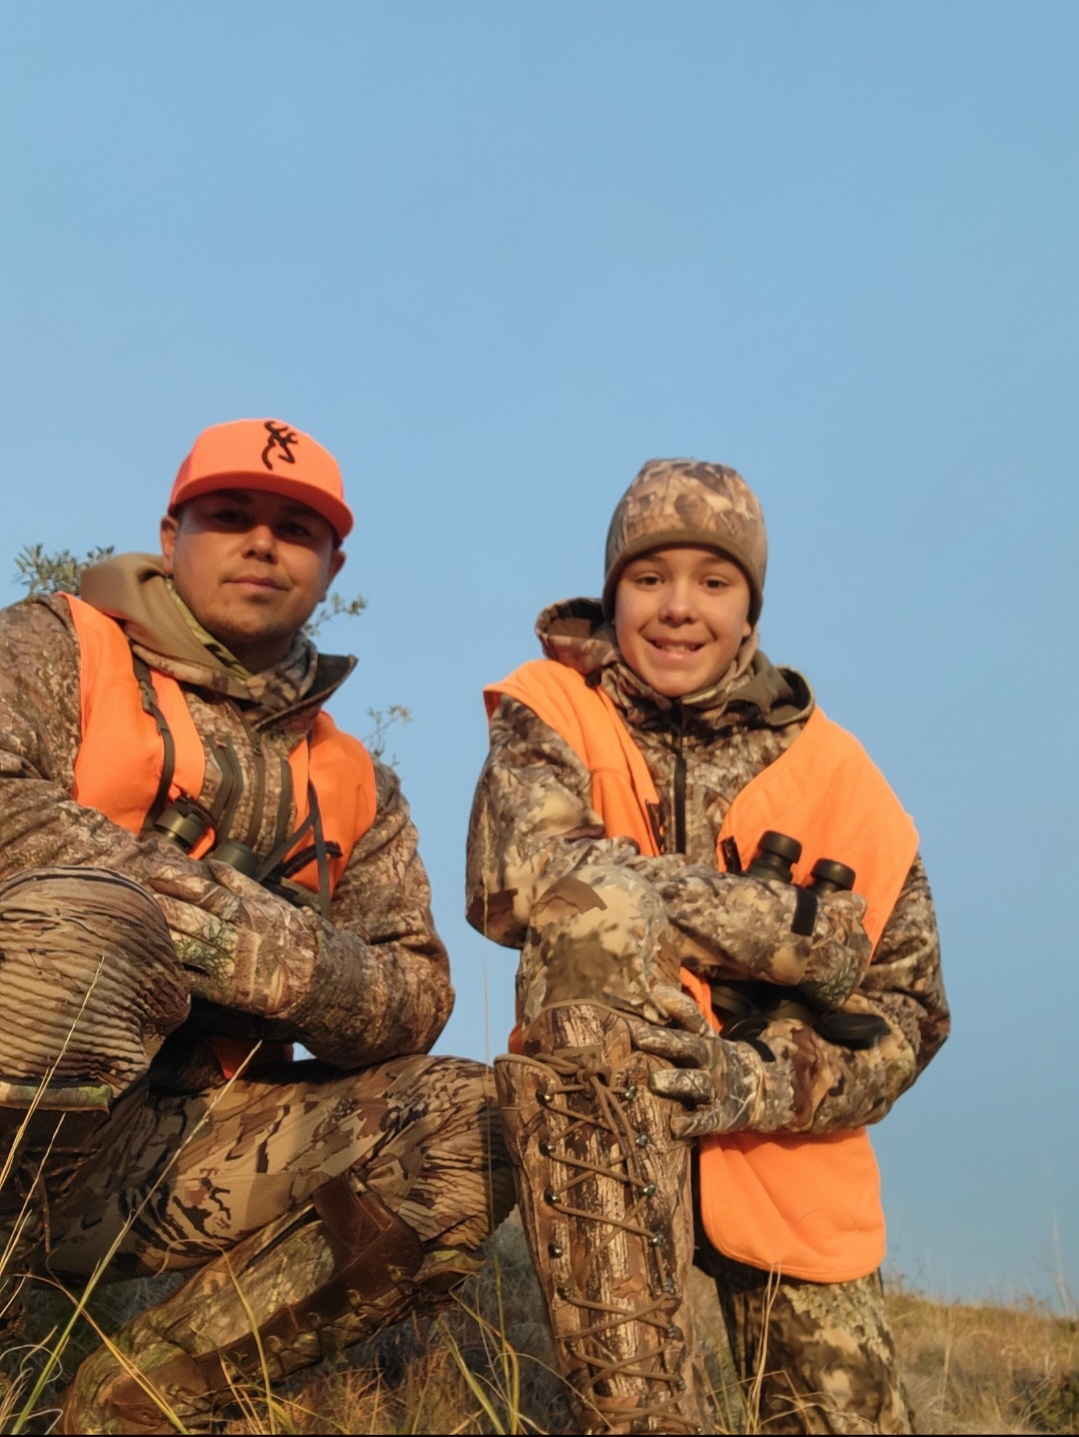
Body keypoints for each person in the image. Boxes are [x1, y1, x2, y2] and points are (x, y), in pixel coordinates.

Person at [0, 418, 512, 1434]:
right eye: (230, 516)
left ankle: (139, 1404)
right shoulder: (53, 643)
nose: (261, 543)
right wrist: (215, 918)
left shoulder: (358, 780)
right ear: (171, 531)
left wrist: (257, 953)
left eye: (294, 528)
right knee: (88, 926)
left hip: (169, 1145)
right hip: (20, 1090)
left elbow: (414, 998)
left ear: (331, 566)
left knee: (476, 1120)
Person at [467, 459, 950, 1434]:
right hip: (600, 1133)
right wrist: (783, 933)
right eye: (648, 579)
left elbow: (906, 1011)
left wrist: (751, 1082)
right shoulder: (552, 702)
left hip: (785, 1153)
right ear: (612, 592)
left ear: (749, 607)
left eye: (712, 581)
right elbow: (520, 876)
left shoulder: (838, 772)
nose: (677, 608)